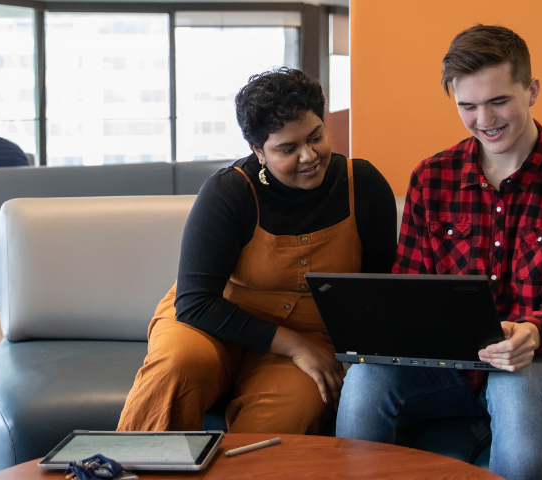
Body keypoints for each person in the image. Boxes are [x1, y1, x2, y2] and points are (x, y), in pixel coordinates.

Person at [336, 25, 542, 480]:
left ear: (532, 90)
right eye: (467, 106)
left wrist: (531, 332)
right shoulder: (431, 177)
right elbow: (409, 286)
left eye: (499, 101)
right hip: (450, 366)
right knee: (366, 375)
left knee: (514, 383)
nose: (484, 118)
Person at [118, 68, 397, 434]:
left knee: (293, 410)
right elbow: (195, 302)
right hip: (211, 325)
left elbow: (377, 290)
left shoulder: (363, 185)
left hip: (314, 335)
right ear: (258, 151)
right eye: (287, 149)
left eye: (316, 137)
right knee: (177, 365)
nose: (309, 156)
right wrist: (295, 346)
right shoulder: (229, 192)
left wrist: (353, 358)